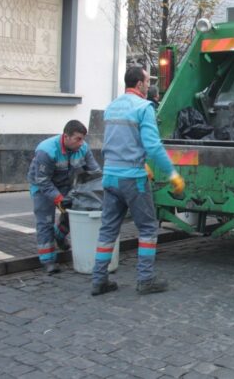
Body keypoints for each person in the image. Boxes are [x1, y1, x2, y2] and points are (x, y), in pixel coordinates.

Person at [91, 66, 185, 296]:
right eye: (147, 80)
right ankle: (145, 279)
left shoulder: (112, 106)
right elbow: (152, 146)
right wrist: (172, 174)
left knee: (108, 229)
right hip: (133, 179)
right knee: (147, 228)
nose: (148, 83)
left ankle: (99, 280)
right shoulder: (144, 108)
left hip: (110, 176)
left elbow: (117, 140)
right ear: (140, 84)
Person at [26, 120, 100, 274]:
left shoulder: (83, 148)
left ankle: (59, 235)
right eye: (78, 139)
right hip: (41, 187)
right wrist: (59, 199)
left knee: (72, 213)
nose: (82, 143)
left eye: (83, 139)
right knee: (45, 222)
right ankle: (47, 261)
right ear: (66, 137)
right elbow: (43, 181)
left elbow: (94, 172)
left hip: (65, 184)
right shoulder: (46, 151)